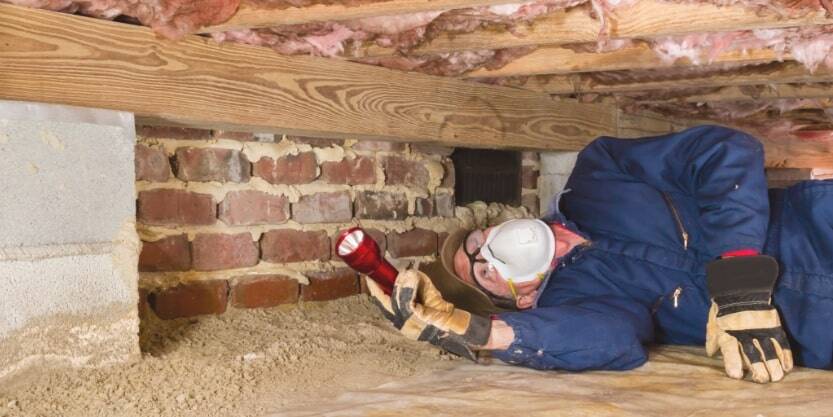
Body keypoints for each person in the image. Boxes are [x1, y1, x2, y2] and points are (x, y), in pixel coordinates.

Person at [367, 125, 833, 384]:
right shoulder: (575, 304)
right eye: (484, 271)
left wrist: (739, 280)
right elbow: (613, 342)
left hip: (817, 227)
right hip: (812, 329)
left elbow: (722, 151)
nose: (489, 251)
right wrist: (482, 331)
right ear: (522, 298)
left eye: (476, 243)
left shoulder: (598, 172)